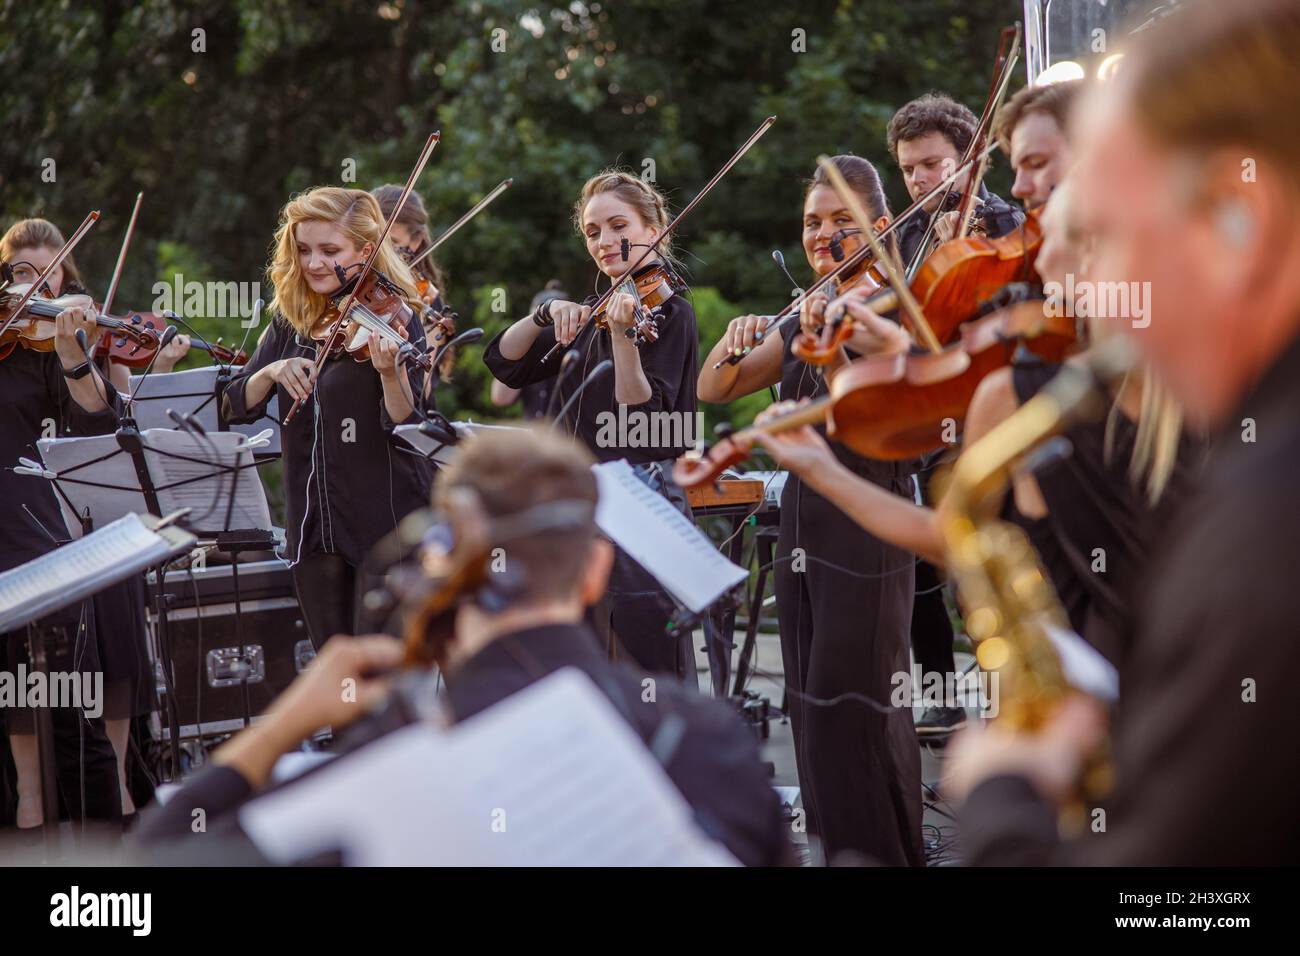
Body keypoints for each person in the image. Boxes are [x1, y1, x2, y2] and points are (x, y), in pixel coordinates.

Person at [947, 0, 1300, 865]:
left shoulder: (1266, 527)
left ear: (1235, 221)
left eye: (1103, 236)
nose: (1089, 291)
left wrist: (1002, 796)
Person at [134, 427, 793, 867]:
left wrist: (284, 725)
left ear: (441, 562)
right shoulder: (711, 738)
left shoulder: (389, 758)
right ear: (594, 571)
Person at [697, 156, 922, 866]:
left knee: (851, 708)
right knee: (807, 704)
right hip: (803, 516)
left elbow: (879, 412)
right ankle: (835, 849)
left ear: (880, 228)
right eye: (812, 222)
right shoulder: (810, 308)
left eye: (841, 223)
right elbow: (714, 388)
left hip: (869, 516)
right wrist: (734, 339)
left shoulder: (897, 308)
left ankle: (883, 852)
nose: (823, 234)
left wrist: (838, 330)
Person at [483, 170, 701, 679]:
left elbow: (643, 420)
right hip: (579, 512)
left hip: (641, 507)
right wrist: (542, 317)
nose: (605, 241)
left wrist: (624, 340)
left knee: (645, 665)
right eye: (592, 231)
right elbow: (504, 365)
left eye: (618, 225)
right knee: (583, 662)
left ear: (656, 231)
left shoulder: (672, 314)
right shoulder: (588, 317)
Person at [222, 187, 433, 648]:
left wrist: (388, 373)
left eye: (329, 251)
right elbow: (234, 402)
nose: (314, 263)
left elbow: (409, 422)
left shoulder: (396, 316)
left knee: (381, 685)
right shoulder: (292, 320)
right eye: (303, 250)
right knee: (337, 680)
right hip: (313, 527)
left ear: (366, 249)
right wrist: (273, 371)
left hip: (386, 527)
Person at [0, 218, 140, 833]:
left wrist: (72, 352)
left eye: (45, 275)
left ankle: (98, 846)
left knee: (62, 705)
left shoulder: (50, 346)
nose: (32, 288)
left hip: (30, 529)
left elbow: (94, 424)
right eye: (20, 275)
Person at [372, 184, 457, 391]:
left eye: (392, 243)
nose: (382, 254)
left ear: (416, 240)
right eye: (373, 241)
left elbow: (422, 392)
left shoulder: (425, 298)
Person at [490, 280, 567, 418]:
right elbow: (501, 398)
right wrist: (515, 355)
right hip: (533, 435)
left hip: (564, 437)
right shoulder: (527, 349)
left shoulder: (575, 351)